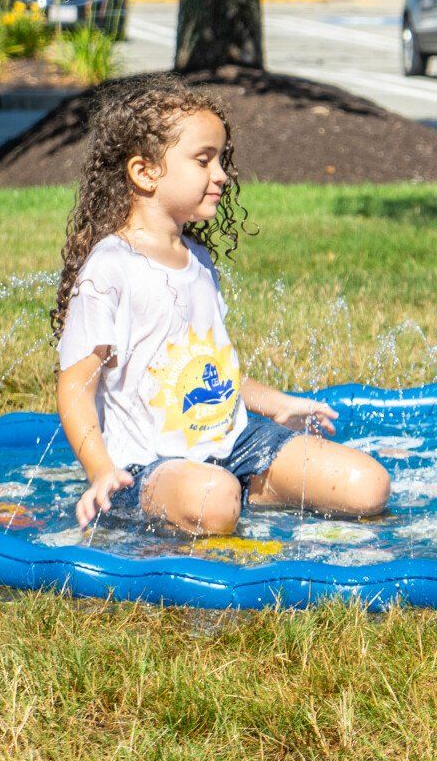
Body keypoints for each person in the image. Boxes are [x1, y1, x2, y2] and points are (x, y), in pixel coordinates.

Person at [52, 73, 391, 536]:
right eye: (203, 160)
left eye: (220, 160)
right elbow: (75, 388)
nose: (221, 175)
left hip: (235, 444)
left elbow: (211, 369)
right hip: (151, 466)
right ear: (144, 171)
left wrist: (277, 404)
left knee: (368, 486)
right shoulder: (110, 268)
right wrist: (99, 471)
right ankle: (171, 502)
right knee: (211, 500)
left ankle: (248, 488)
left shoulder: (197, 260)